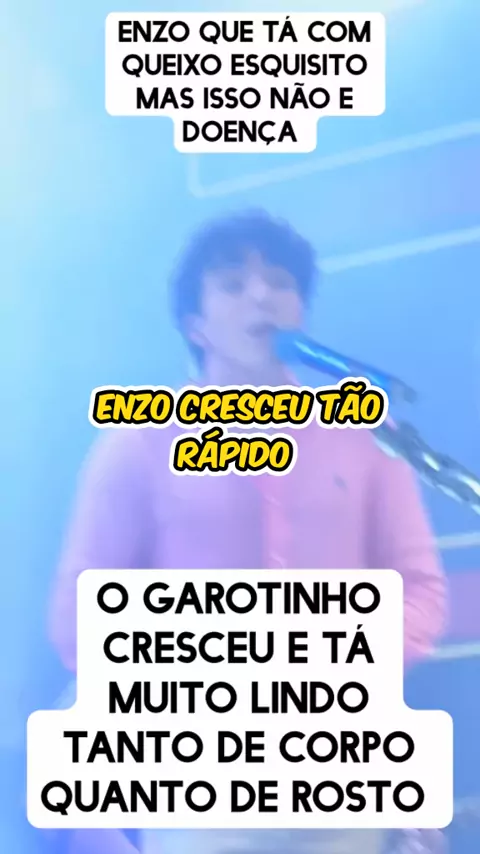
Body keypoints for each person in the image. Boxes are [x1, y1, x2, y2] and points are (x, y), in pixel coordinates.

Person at [49, 210, 447, 854]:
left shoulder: (366, 435)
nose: (262, 296)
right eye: (232, 284)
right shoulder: (138, 443)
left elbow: (420, 590)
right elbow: (77, 617)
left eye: (281, 282)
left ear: (302, 312)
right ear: (195, 324)